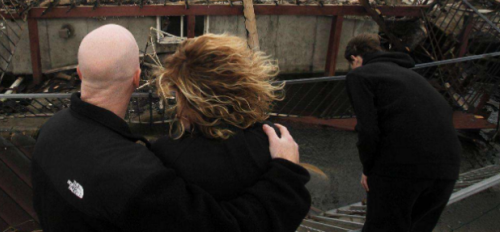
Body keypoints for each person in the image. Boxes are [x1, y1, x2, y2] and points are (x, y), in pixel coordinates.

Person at [32, 24, 311, 232]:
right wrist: (286, 174)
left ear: (79, 73)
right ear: (137, 78)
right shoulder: (140, 176)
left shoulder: (50, 132)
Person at [151, 33, 311, 231]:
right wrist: (287, 168)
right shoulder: (272, 142)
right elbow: (292, 209)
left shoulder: (164, 155)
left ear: (187, 96)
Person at [344, 33, 461, 232]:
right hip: (448, 168)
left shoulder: (360, 75)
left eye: (351, 63)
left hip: (402, 167)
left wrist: (368, 168)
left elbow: (368, 130)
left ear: (355, 58)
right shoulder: (413, 76)